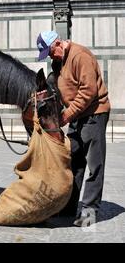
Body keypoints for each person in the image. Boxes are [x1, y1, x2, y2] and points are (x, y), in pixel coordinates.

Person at [37, 31, 111, 227]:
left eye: (51, 52)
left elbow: (88, 91)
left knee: (95, 165)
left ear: (59, 43)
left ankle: (89, 211)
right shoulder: (58, 63)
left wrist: (65, 116)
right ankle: (68, 207)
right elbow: (61, 91)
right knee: (73, 162)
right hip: (77, 115)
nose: (51, 57)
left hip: (94, 113)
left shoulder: (80, 56)